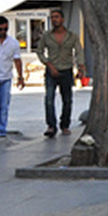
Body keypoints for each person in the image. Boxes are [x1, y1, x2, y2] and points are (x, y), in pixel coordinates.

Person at [36, 8, 85, 137]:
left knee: (67, 100)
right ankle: (51, 126)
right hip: (51, 71)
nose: (54, 19)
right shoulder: (46, 36)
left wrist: (81, 67)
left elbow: (79, 51)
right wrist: (49, 64)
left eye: (57, 17)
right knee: (49, 99)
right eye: (52, 17)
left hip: (66, 71)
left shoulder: (72, 36)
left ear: (62, 19)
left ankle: (65, 125)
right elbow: (39, 51)